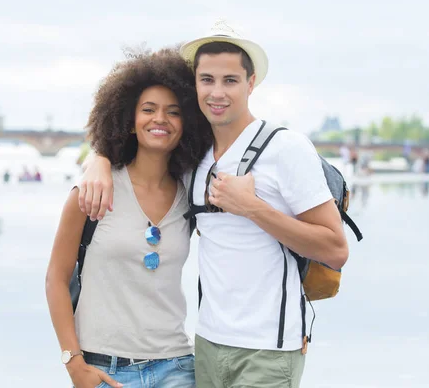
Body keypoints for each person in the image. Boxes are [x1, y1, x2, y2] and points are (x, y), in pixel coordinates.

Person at [78, 21, 349, 387]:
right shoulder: (195, 156)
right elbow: (140, 147)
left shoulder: (287, 149)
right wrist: (99, 159)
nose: (217, 92)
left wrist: (253, 208)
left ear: (251, 83)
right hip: (206, 344)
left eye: (230, 80)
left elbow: (335, 250)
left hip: (268, 349)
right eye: (207, 80)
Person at [45, 47, 212, 388]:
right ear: (128, 120)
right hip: (106, 371)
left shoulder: (190, 194)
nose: (160, 119)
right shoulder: (93, 190)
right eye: (147, 109)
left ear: (188, 123)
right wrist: (73, 363)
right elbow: (55, 279)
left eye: (174, 112)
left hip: (178, 368)